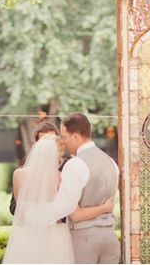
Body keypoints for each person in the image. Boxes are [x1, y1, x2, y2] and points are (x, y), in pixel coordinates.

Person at [3, 133, 114, 263]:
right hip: (55, 234)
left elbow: (20, 211)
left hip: (27, 233)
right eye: (59, 155)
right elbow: (73, 211)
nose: (60, 159)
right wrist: (105, 207)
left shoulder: (19, 175)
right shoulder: (60, 178)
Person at [41, 112, 121, 264]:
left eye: (65, 137)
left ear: (75, 136)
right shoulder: (111, 162)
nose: (63, 142)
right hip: (110, 237)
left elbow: (64, 208)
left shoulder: (75, 164)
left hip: (84, 238)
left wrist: (37, 217)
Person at [9, 120, 62, 216]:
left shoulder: (67, 169)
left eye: (52, 141)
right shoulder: (22, 173)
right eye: (44, 141)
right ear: (37, 144)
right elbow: (13, 207)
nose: (48, 146)